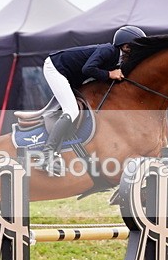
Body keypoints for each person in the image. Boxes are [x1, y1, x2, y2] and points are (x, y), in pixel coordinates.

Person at [41, 25, 146, 174]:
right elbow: (88, 69)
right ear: (126, 46)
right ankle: (47, 155)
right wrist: (109, 74)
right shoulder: (107, 51)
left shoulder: (120, 58)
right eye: (136, 47)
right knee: (72, 110)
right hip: (56, 68)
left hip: (71, 74)